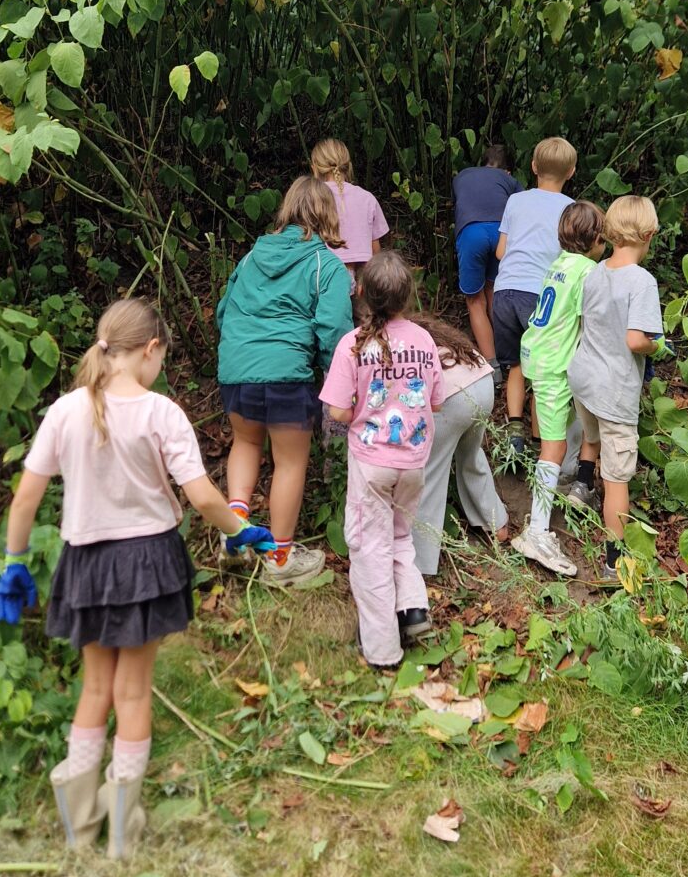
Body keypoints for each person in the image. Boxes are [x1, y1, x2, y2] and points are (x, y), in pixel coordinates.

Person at [0, 299, 272, 859]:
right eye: (160, 359)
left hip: (86, 565)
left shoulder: (65, 410)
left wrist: (14, 563)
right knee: (133, 691)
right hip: (147, 562)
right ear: (151, 350)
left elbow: (25, 498)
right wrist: (239, 530)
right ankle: (124, 831)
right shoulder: (162, 413)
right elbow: (200, 495)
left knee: (95, 689)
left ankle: (79, 826)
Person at [217, 177, 353, 587]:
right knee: (290, 461)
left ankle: (236, 539)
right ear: (327, 214)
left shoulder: (250, 257)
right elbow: (334, 329)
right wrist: (338, 377)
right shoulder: (324, 264)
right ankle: (280, 559)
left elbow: (224, 311)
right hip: (287, 374)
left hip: (237, 369)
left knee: (246, 443)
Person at [319, 253, 444, 670]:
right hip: (413, 460)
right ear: (409, 296)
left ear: (361, 295)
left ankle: (382, 649)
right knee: (400, 535)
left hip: (372, 463)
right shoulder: (425, 341)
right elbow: (436, 400)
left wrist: (362, 408)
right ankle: (412, 610)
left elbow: (336, 412)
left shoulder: (353, 343)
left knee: (369, 547)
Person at [567, 195, 672, 583]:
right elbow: (635, 340)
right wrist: (659, 345)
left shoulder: (594, 272)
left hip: (584, 379)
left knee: (590, 435)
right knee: (618, 480)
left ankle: (580, 485)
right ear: (648, 234)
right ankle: (615, 563)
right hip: (613, 389)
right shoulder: (642, 281)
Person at [511, 201, 606, 578]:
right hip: (555, 364)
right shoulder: (589, 271)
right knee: (553, 446)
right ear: (597, 239)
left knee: (561, 433)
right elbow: (590, 319)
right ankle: (536, 530)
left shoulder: (559, 262)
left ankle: (556, 488)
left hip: (537, 353)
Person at [493, 137, 577, 456]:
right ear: (571, 172)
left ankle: (515, 430)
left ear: (533, 167)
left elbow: (501, 251)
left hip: (504, 292)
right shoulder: (570, 208)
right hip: (541, 296)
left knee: (514, 363)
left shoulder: (516, 201)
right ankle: (542, 441)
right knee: (542, 368)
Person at [410, 313, 509, 576]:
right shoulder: (440, 335)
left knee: (429, 473)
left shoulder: (401, 340)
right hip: (482, 384)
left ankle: (421, 564)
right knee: (471, 456)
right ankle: (496, 524)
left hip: (452, 397)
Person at [451, 143, 522, 388]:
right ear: (508, 171)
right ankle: (509, 360)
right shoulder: (509, 181)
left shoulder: (462, 176)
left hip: (472, 232)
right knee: (494, 292)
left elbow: (460, 206)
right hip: (501, 232)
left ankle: (493, 369)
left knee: (475, 300)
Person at [310, 138, 389, 277]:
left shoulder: (310, 198)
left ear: (314, 168)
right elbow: (375, 250)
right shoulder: (367, 198)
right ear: (348, 165)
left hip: (321, 277)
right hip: (361, 279)